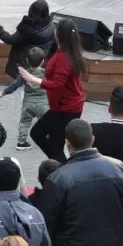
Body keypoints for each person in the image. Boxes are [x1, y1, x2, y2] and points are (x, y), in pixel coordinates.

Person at [18, 17, 87, 162]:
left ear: (58, 35)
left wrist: (33, 79)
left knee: (45, 139)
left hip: (65, 109)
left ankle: (63, 167)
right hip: (64, 107)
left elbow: (58, 84)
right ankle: (62, 165)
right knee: (43, 137)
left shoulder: (64, 58)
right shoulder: (69, 52)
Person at [0, 0, 56, 83]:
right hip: (42, 64)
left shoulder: (27, 29)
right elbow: (54, 46)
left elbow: (11, 39)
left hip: (26, 65)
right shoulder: (51, 26)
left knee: (26, 88)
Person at [0, 47, 49, 153]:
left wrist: (4, 92)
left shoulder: (25, 74)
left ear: (27, 61)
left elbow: (15, 85)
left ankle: (21, 142)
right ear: (43, 61)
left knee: (24, 122)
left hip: (28, 104)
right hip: (43, 104)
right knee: (47, 122)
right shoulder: (46, 73)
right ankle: (48, 139)